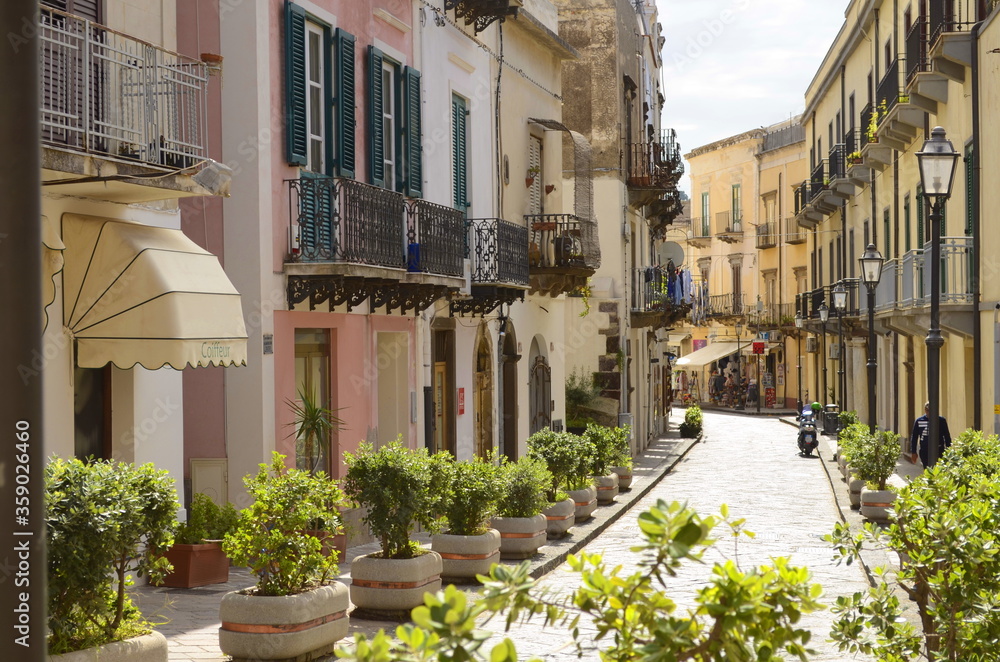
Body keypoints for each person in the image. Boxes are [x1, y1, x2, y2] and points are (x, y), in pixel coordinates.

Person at [909, 402, 952, 468]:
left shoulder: (941, 421)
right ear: (925, 410)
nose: (929, 412)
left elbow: (947, 436)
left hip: (939, 450)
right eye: (927, 410)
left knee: (939, 469)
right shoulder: (919, 421)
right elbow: (914, 437)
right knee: (927, 469)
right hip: (925, 451)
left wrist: (949, 451)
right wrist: (913, 452)